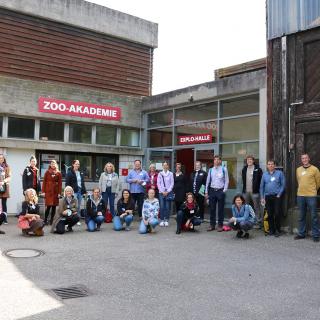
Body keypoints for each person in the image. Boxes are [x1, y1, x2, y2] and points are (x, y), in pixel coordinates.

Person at [294, 154, 320, 242]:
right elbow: (299, 181)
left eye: (306, 158)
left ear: (309, 159)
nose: (304, 159)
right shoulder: (298, 170)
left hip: (311, 195)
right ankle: (301, 233)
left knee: (314, 216)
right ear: (301, 160)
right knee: (301, 216)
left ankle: (316, 235)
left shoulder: (315, 169)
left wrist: (313, 190)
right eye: (302, 158)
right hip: (300, 195)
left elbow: (318, 182)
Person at [260, 160, 285, 237]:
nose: (270, 165)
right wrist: (262, 197)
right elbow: (262, 187)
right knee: (270, 214)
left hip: (276, 196)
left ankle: (277, 230)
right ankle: (271, 230)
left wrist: (279, 194)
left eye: (272, 164)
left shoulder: (279, 173)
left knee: (277, 213)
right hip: (267, 196)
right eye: (269, 164)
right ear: (267, 166)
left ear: (274, 165)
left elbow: (283, 185)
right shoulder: (264, 175)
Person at [205, 155, 229, 232]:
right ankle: (212, 225)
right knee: (212, 209)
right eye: (215, 160)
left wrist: (224, 190)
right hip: (212, 191)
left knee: (221, 209)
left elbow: (227, 181)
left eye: (218, 159)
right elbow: (207, 181)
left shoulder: (224, 169)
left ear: (220, 161)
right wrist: (206, 192)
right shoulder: (211, 170)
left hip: (220, 191)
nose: (216, 161)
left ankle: (220, 225)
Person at [241, 155, 263, 226]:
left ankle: (258, 221)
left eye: (250, 159)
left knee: (256, 207)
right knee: (246, 207)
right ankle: (247, 220)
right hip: (246, 191)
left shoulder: (258, 169)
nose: (249, 161)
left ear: (253, 161)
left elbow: (261, 181)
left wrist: (259, 189)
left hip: (255, 191)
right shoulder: (244, 169)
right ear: (246, 161)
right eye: (248, 160)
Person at [65, 159, 86, 225]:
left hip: (80, 191)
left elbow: (82, 182)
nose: (77, 165)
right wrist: (68, 192)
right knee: (73, 206)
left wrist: (84, 191)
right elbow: (67, 183)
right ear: (73, 164)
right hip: (73, 191)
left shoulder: (80, 172)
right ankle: (71, 218)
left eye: (78, 164)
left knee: (79, 206)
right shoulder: (69, 172)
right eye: (76, 164)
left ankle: (77, 219)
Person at [42, 160, 62, 225]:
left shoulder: (58, 173)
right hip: (48, 192)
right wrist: (43, 191)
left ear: (56, 164)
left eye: (54, 163)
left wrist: (59, 193)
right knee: (48, 207)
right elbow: (44, 182)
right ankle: (45, 220)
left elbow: (60, 184)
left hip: (55, 192)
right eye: (52, 164)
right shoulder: (47, 172)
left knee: (54, 207)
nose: (53, 165)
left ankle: (51, 221)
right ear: (50, 165)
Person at [157, 161, 174, 227]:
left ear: (168, 166)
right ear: (162, 166)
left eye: (166, 165)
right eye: (163, 165)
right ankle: (161, 220)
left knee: (167, 207)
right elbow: (158, 183)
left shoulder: (171, 174)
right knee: (161, 206)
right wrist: (162, 191)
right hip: (161, 193)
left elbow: (172, 183)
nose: (165, 166)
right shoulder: (160, 174)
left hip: (168, 193)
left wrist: (168, 191)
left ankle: (166, 220)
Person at [0, 154, 11, 224]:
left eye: (2, 158)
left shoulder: (7, 167)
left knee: (4, 203)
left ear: (4, 159)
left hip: (4, 186)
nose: (0, 159)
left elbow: (9, 177)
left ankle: (4, 218)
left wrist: (3, 181)